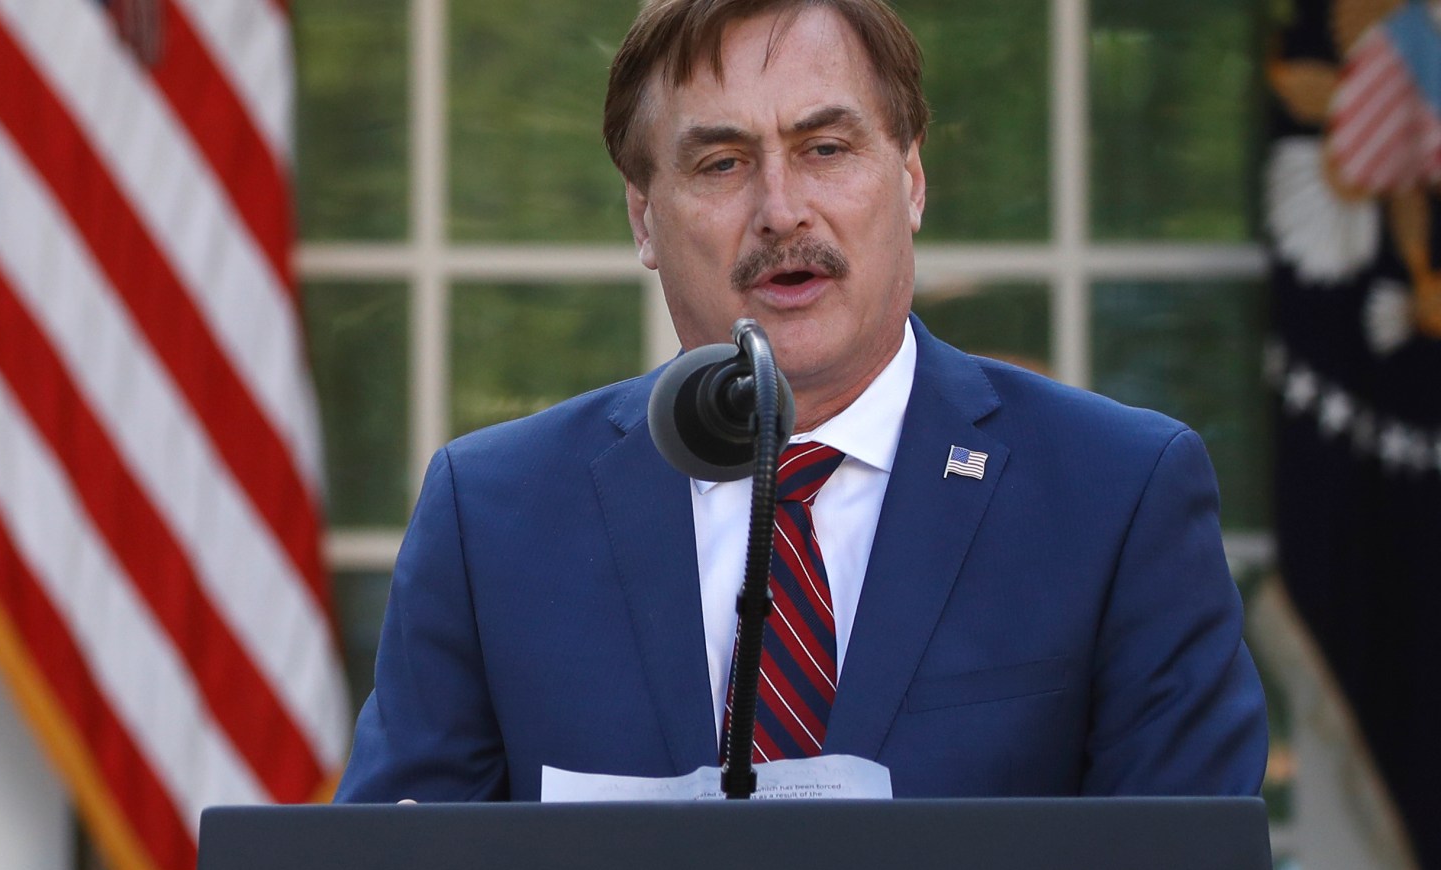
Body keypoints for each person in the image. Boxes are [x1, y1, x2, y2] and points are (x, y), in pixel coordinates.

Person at [336, 0, 1267, 803]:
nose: (782, 210)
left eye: (825, 148)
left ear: (910, 180)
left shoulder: (1117, 495)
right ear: (641, 219)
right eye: (721, 164)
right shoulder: (491, 516)